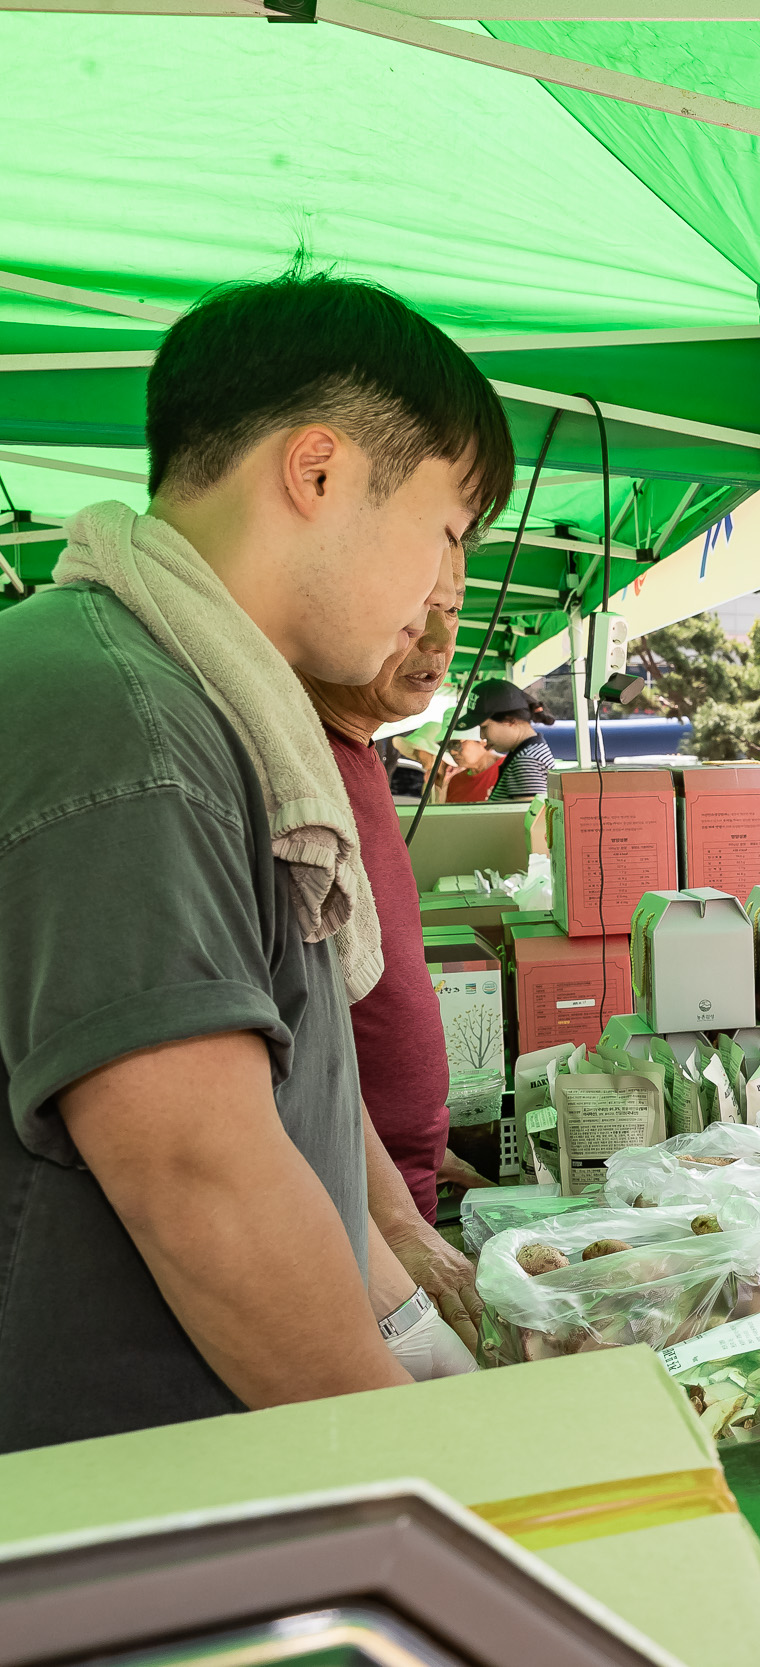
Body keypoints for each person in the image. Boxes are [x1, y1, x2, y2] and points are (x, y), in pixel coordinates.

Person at [0, 271, 516, 1450]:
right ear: (319, 471)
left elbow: (293, 1112)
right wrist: (435, 1471)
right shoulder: (119, 716)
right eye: (445, 531)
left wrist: (405, 1299)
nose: (443, 591)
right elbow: (201, 1174)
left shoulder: (190, 701)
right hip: (129, 1491)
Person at [299, 542, 493, 1371]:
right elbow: (298, 1046)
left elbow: (367, 993)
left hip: (397, 1192)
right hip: (351, 1236)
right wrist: (396, 1221)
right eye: (416, 611)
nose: (438, 640)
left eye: (452, 612)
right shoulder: (295, 762)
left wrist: (426, 1138)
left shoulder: (362, 755)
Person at [462, 677, 554, 802]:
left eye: (484, 727)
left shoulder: (526, 761)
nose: (482, 736)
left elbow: (525, 818)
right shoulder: (526, 753)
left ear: (510, 720)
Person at [439, 730, 502, 802]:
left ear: (482, 741)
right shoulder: (456, 782)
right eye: (448, 746)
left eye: (457, 744)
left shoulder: (509, 766)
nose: (453, 752)